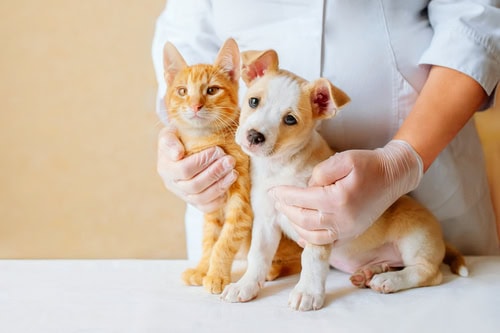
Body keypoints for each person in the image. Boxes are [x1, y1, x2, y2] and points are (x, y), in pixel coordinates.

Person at [152, 0, 500, 261]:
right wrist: (181, 141)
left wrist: (402, 162)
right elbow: (185, 41)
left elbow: (473, 19)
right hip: (249, 196)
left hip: (425, 176)